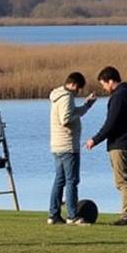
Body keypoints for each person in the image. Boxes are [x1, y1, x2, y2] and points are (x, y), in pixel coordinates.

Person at [84, 66, 127, 226]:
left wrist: (94, 140)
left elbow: (111, 123)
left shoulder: (118, 97)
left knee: (122, 181)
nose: (103, 88)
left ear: (110, 81)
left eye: (103, 84)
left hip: (120, 144)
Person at [47, 71, 97, 224]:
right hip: (68, 146)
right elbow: (66, 119)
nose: (78, 93)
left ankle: (54, 215)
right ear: (74, 85)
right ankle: (72, 215)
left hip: (57, 145)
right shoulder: (67, 96)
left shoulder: (58, 95)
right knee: (72, 181)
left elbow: (70, 113)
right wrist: (82, 111)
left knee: (59, 180)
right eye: (78, 89)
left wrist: (86, 106)